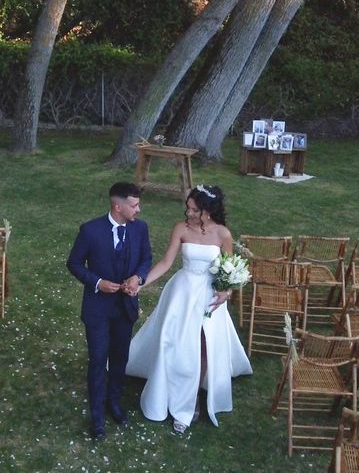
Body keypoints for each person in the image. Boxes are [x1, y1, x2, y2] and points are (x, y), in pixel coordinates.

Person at [125, 184, 252, 434]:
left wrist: (226, 292)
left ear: (208, 210)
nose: (189, 213)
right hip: (182, 293)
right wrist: (140, 282)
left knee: (202, 345)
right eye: (188, 208)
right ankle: (166, 387)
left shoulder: (223, 234)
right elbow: (165, 262)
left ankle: (191, 399)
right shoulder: (181, 229)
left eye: (194, 209)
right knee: (172, 342)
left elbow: (230, 270)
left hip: (207, 297)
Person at [67, 182, 153, 441]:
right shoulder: (90, 231)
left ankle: (113, 402)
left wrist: (138, 277)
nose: (139, 209)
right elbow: (73, 263)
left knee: (119, 358)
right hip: (97, 309)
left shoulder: (140, 229)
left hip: (125, 307)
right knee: (97, 359)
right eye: (134, 205)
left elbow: (146, 259)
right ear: (118, 206)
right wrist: (97, 282)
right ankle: (96, 416)